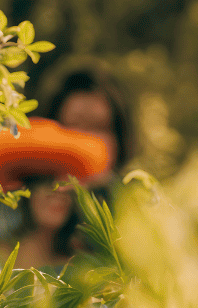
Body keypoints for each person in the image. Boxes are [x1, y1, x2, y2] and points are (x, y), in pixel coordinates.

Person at [0, 67, 133, 269]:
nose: (84, 141)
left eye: (99, 128)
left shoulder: (133, 221)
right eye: (73, 126)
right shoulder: (11, 215)